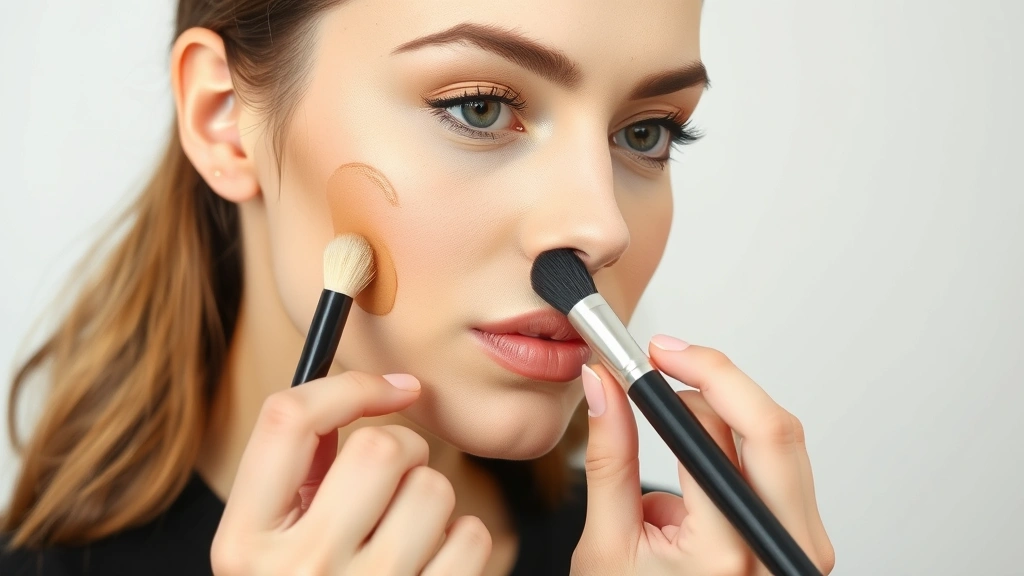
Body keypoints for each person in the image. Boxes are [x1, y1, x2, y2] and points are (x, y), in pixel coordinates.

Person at [1, 1, 835, 574]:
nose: (601, 224)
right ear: (225, 118)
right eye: (478, 107)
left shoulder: (681, 555)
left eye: (646, 132)